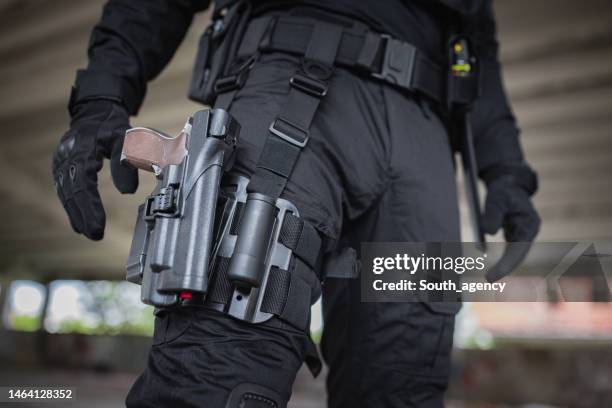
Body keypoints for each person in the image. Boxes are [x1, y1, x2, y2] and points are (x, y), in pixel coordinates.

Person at [52, 0, 540, 406]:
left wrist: (507, 173)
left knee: (403, 384)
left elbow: (481, 55)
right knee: (221, 364)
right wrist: (102, 94)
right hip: (296, 80)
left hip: (427, 140)